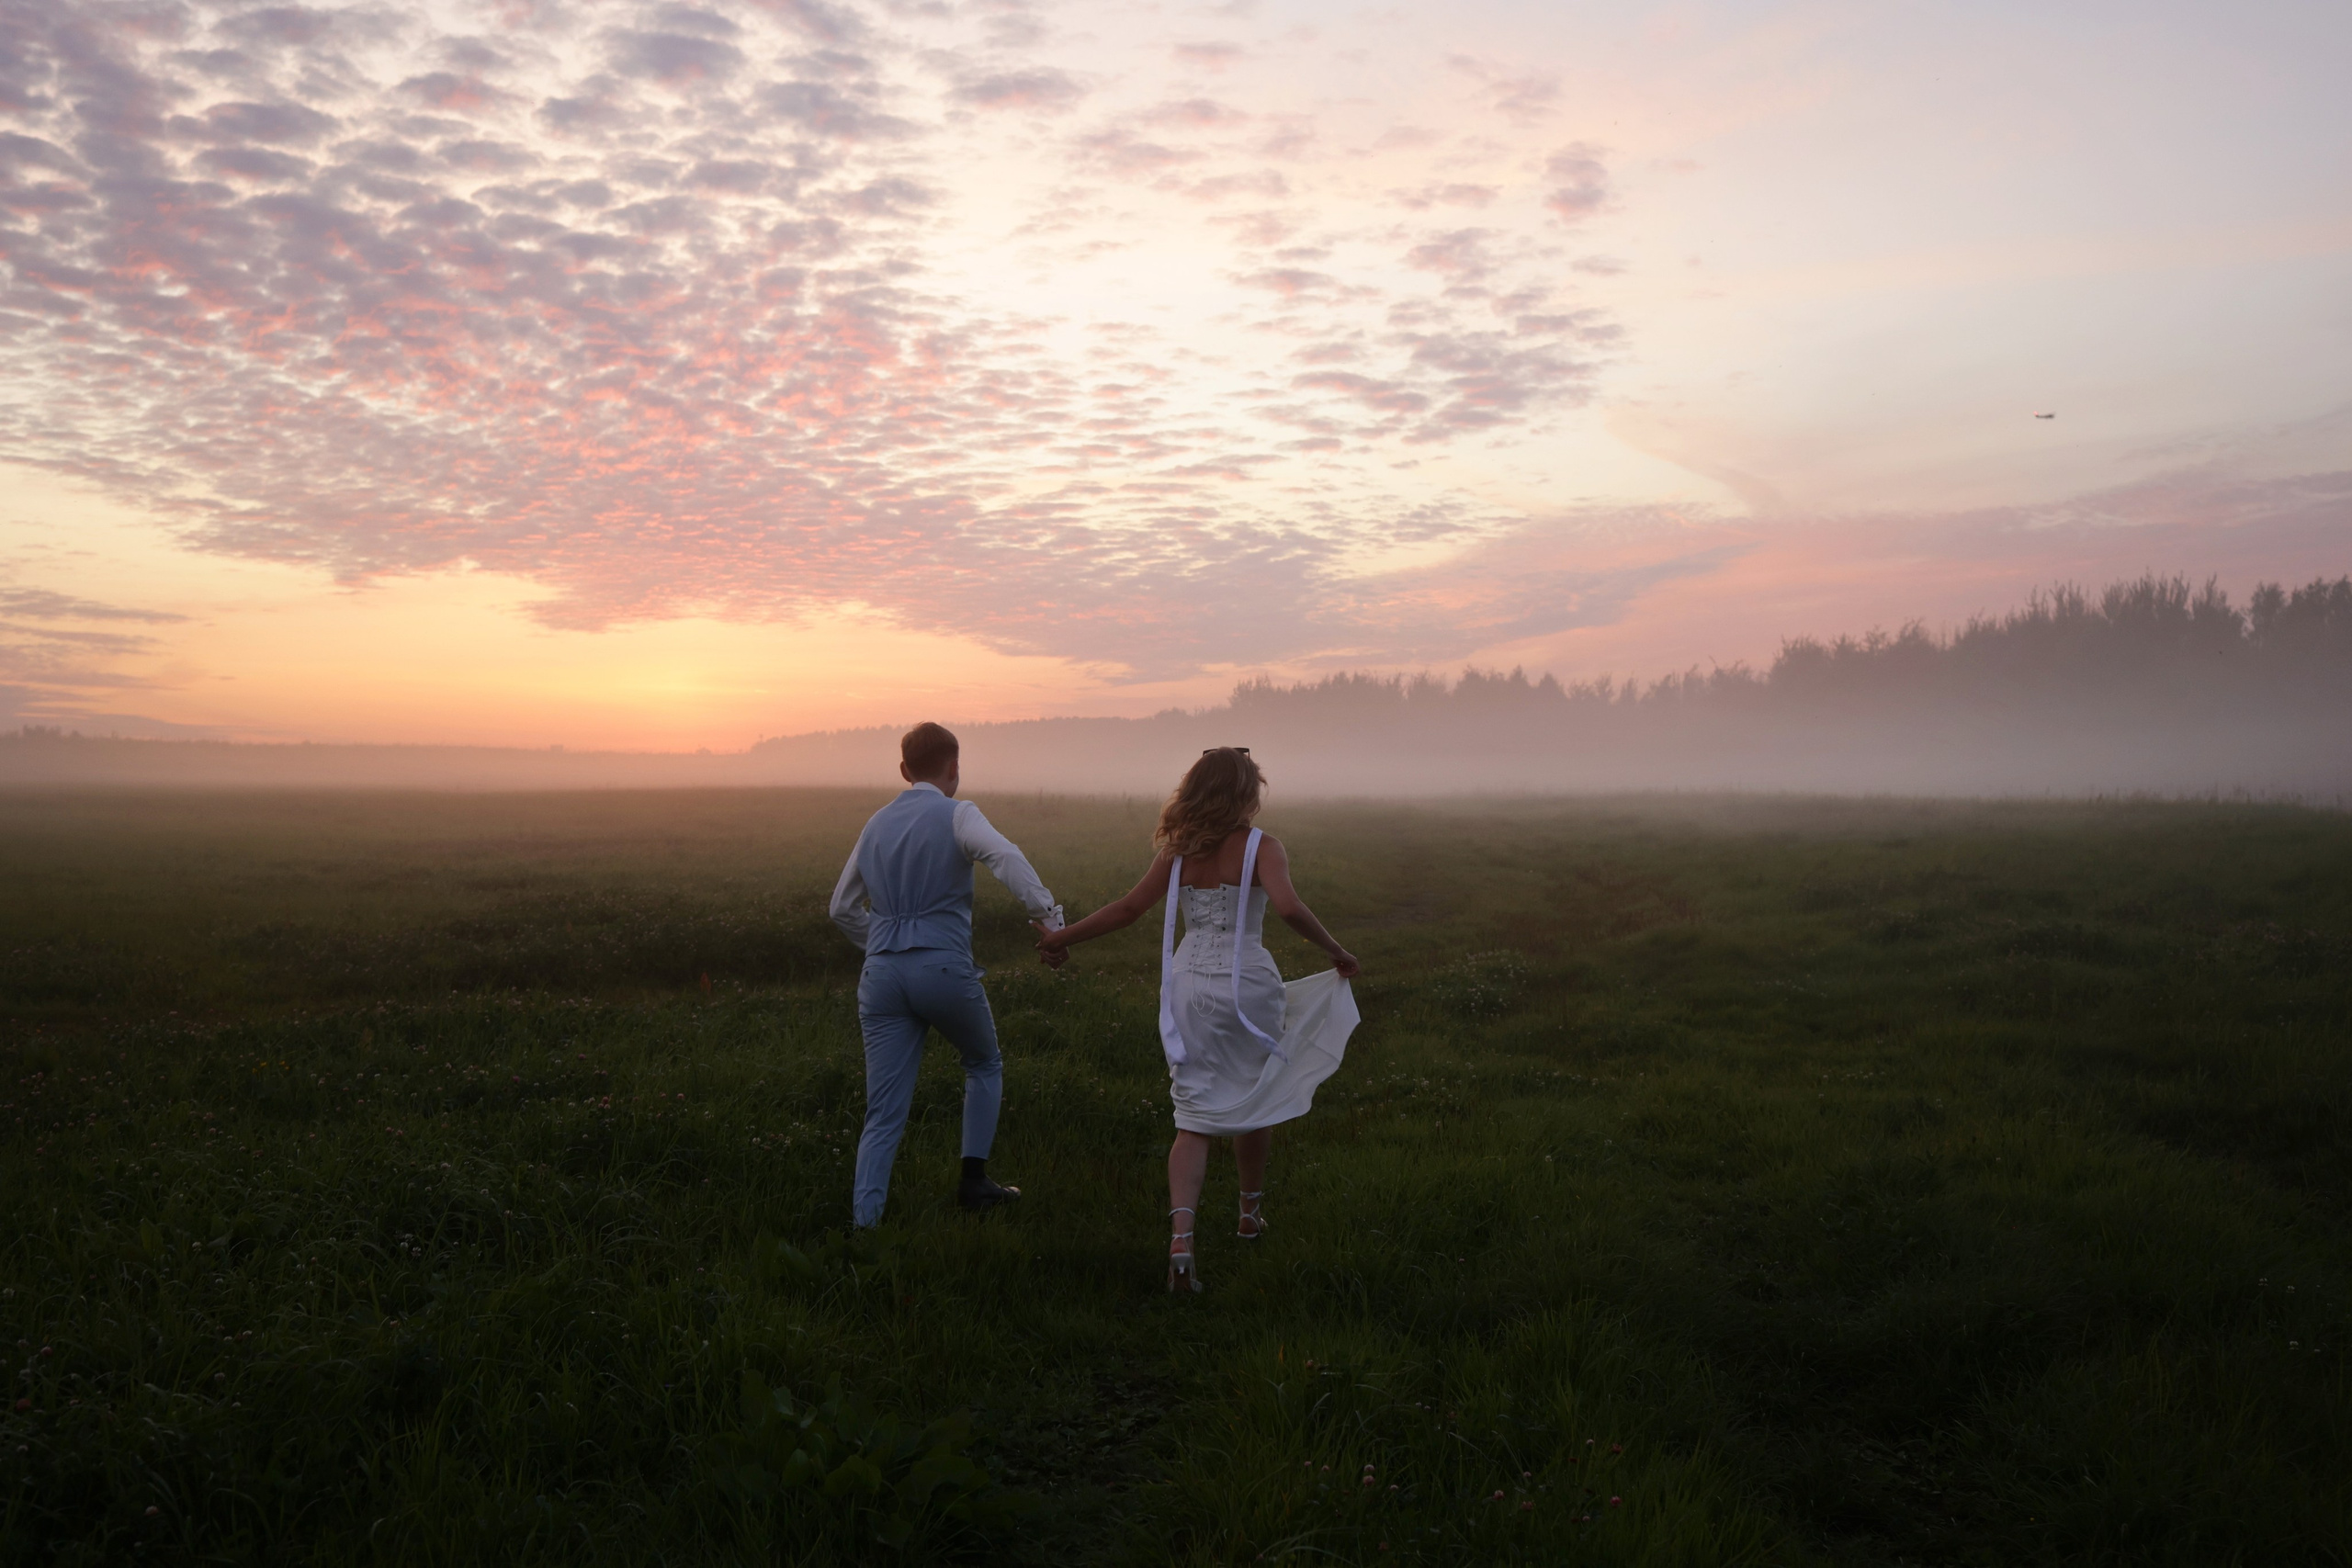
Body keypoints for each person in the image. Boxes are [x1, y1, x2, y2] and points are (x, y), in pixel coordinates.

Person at [1037, 747, 1360, 1292]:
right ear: (1246, 793)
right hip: (1248, 984)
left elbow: (1128, 909)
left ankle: (1182, 1240)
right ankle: (1249, 1214)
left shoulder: (1178, 851)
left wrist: (1060, 938)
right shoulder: (1264, 847)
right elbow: (1287, 907)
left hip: (1188, 983)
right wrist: (1336, 951)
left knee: (1192, 1111)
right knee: (1254, 1096)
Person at [830, 722, 1063, 1226]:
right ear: (954, 767)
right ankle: (974, 1182)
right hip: (942, 966)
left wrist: (883, 944)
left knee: (883, 1109)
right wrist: (1050, 919)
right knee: (983, 1063)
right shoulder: (959, 814)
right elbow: (1005, 856)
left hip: (881, 974)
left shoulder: (875, 824)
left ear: (903, 769)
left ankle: (864, 1223)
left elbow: (841, 908)